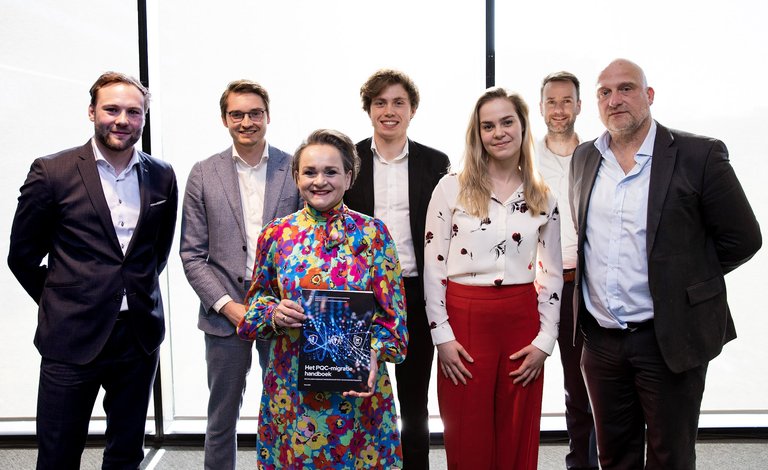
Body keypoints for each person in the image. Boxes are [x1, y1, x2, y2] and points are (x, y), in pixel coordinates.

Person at [569, 58, 762, 469]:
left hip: (668, 338)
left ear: (649, 95)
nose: (615, 99)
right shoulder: (584, 159)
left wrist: (681, 282)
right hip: (602, 342)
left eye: (626, 88)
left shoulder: (699, 155)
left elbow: (743, 238)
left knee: (669, 457)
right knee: (613, 458)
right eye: (605, 92)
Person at [7, 72, 178, 469]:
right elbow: (22, 256)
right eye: (111, 109)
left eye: (133, 112)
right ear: (91, 112)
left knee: (126, 451)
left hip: (137, 337)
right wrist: (63, 298)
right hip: (71, 336)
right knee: (59, 453)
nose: (122, 119)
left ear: (143, 119)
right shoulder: (52, 171)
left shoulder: (162, 174)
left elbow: (157, 252)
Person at [237, 129, 408, 468]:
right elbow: (253, 310)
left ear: (348, 176)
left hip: (358, 396)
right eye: (310, 172)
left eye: (330, 172)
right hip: (293, 394)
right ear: (296, 176)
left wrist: (374, 353)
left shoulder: (373, 234)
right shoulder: (276, 235)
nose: (320, 181)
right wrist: (274, 313)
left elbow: (395, 325)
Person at [424, 87, 563, 469]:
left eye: (507, 122)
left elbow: (551, 274)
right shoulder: (450, 187)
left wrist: (545, 341)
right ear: (477, 134)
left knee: (517, 432)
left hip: (522, 321)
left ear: (522, 127)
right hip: (464, 319)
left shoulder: (543, 196)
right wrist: (443, 337)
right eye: (488, 126)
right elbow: (434, 267)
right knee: (468, 434)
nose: (498, 132)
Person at [179, 80, 300, 469]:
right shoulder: (203, 173)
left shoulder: (294, 167)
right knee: (222, 417)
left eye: (255, 113)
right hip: (223, 314)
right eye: (237, 114)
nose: (247, 121)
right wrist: (229, 307)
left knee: (288, 411)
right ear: (224, 119)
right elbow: (192, 254)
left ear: (267, 116)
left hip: (282, 313)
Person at [345, 68, 450, 469]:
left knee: (414, 401)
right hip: (357, 297)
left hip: (413, 294)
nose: (389, 111)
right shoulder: (349, 159)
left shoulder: (435, 162)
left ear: (413, 110)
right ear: (369, 110)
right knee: (358, 391)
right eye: (380, 103)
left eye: (398, 103)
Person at [535, 71, 598, 470]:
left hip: (581, 286)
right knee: (521, 378)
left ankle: (583, 464)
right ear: (541, 108)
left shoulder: (596, 154)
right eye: (551, 102)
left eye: (566, 101)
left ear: (579, 105)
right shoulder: (523, 156)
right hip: (533, 286)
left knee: (582, 388)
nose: (559, 109)